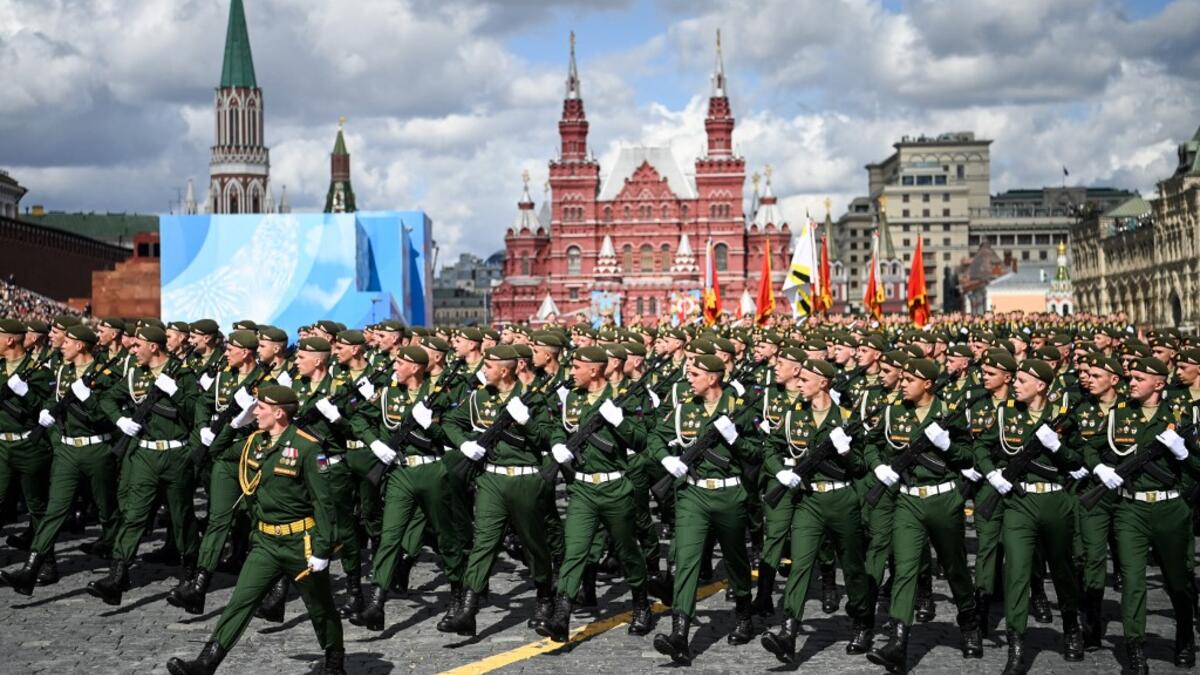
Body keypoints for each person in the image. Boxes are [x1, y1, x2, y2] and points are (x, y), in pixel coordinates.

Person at [165, 385, 344, 675]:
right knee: (240, 601)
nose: (255, 411)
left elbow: (324, 505)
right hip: (266, 542)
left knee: (320, 606)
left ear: (279, 412)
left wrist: (323, 551)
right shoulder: (254, 442)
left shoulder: (308, 448)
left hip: (301, 541)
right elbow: (219, 452)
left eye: (260, 407)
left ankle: (335, 662)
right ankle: (206, 663)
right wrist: (236, 423)